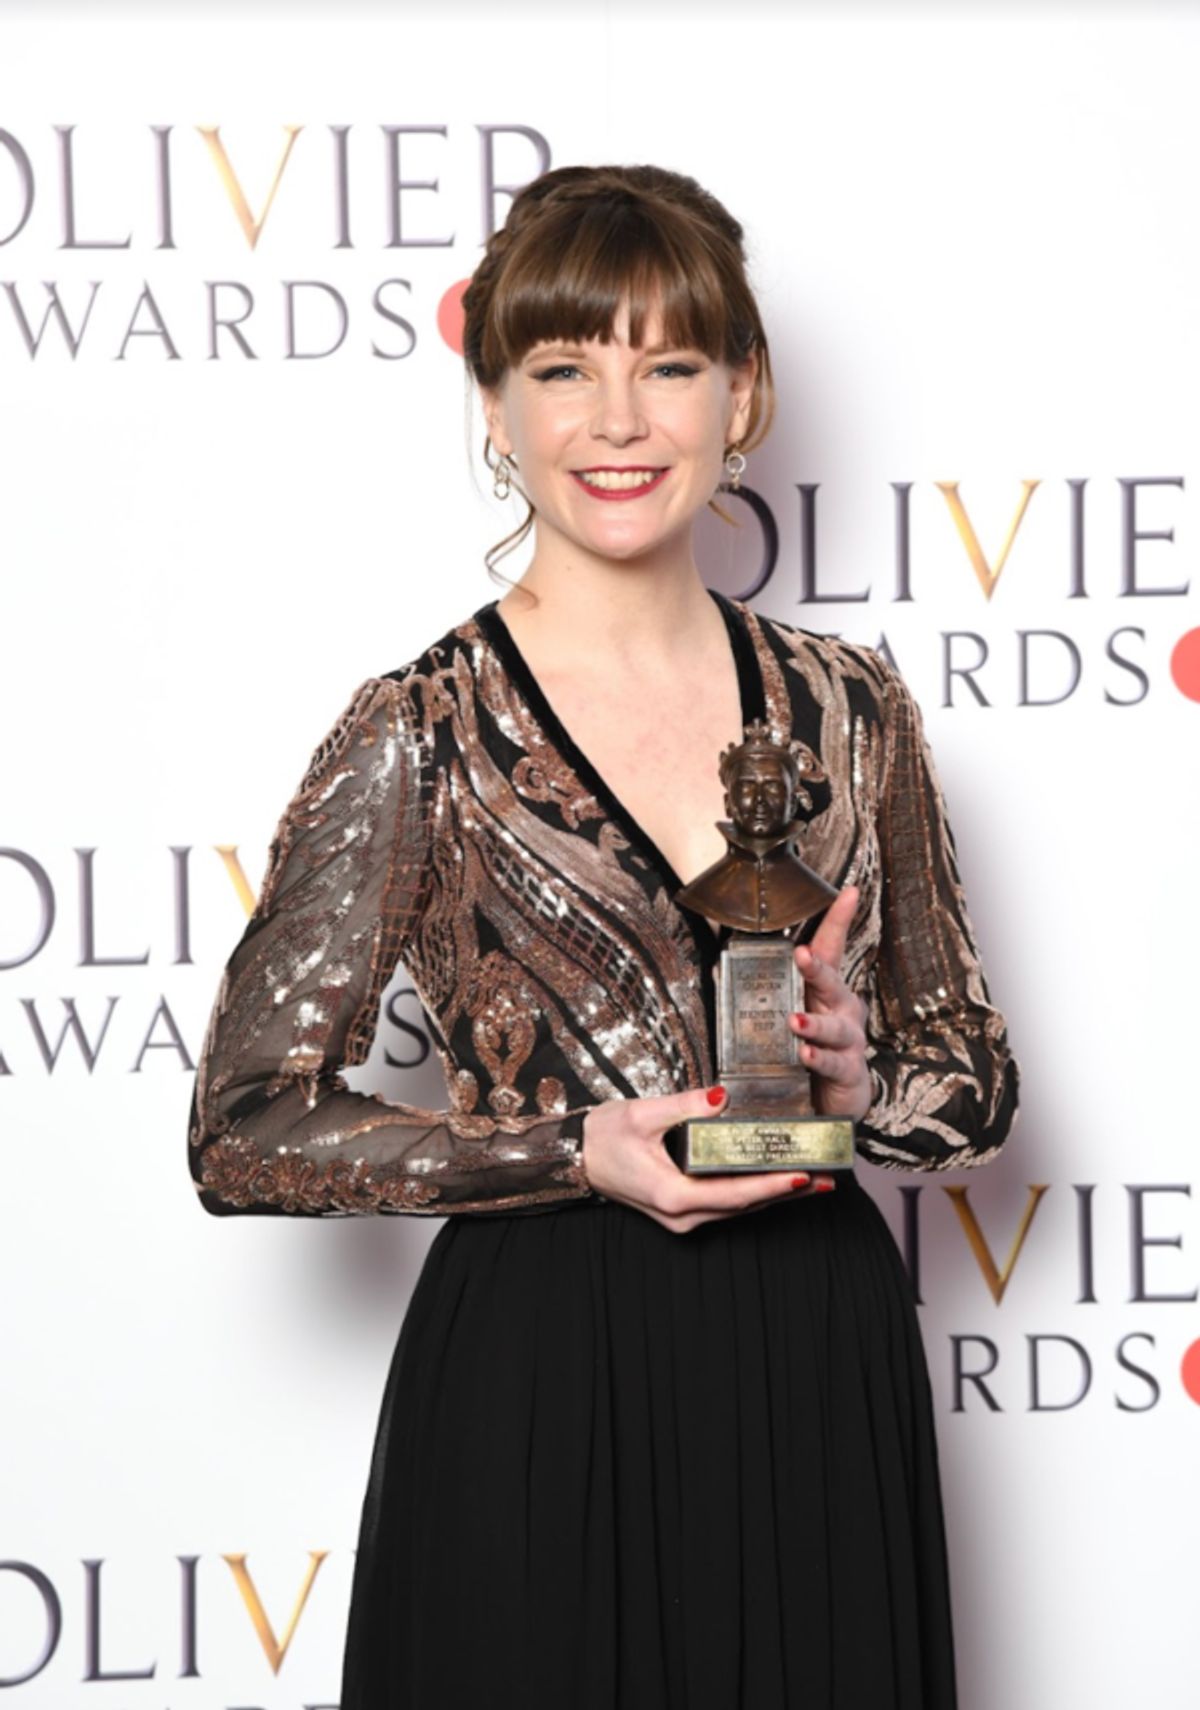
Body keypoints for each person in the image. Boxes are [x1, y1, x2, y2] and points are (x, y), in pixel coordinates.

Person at [187, 163, 1019, 1710]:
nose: (618, 421)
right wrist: (570, 1150)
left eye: (670, 364)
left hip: (813, 1367)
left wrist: (860, 1079)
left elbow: (973, 1075)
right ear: (495, 404)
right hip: (543, 1374)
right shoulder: (420, 729)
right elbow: (242, 1128)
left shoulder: (852, 708)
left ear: (743, 391)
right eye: (564, 368)